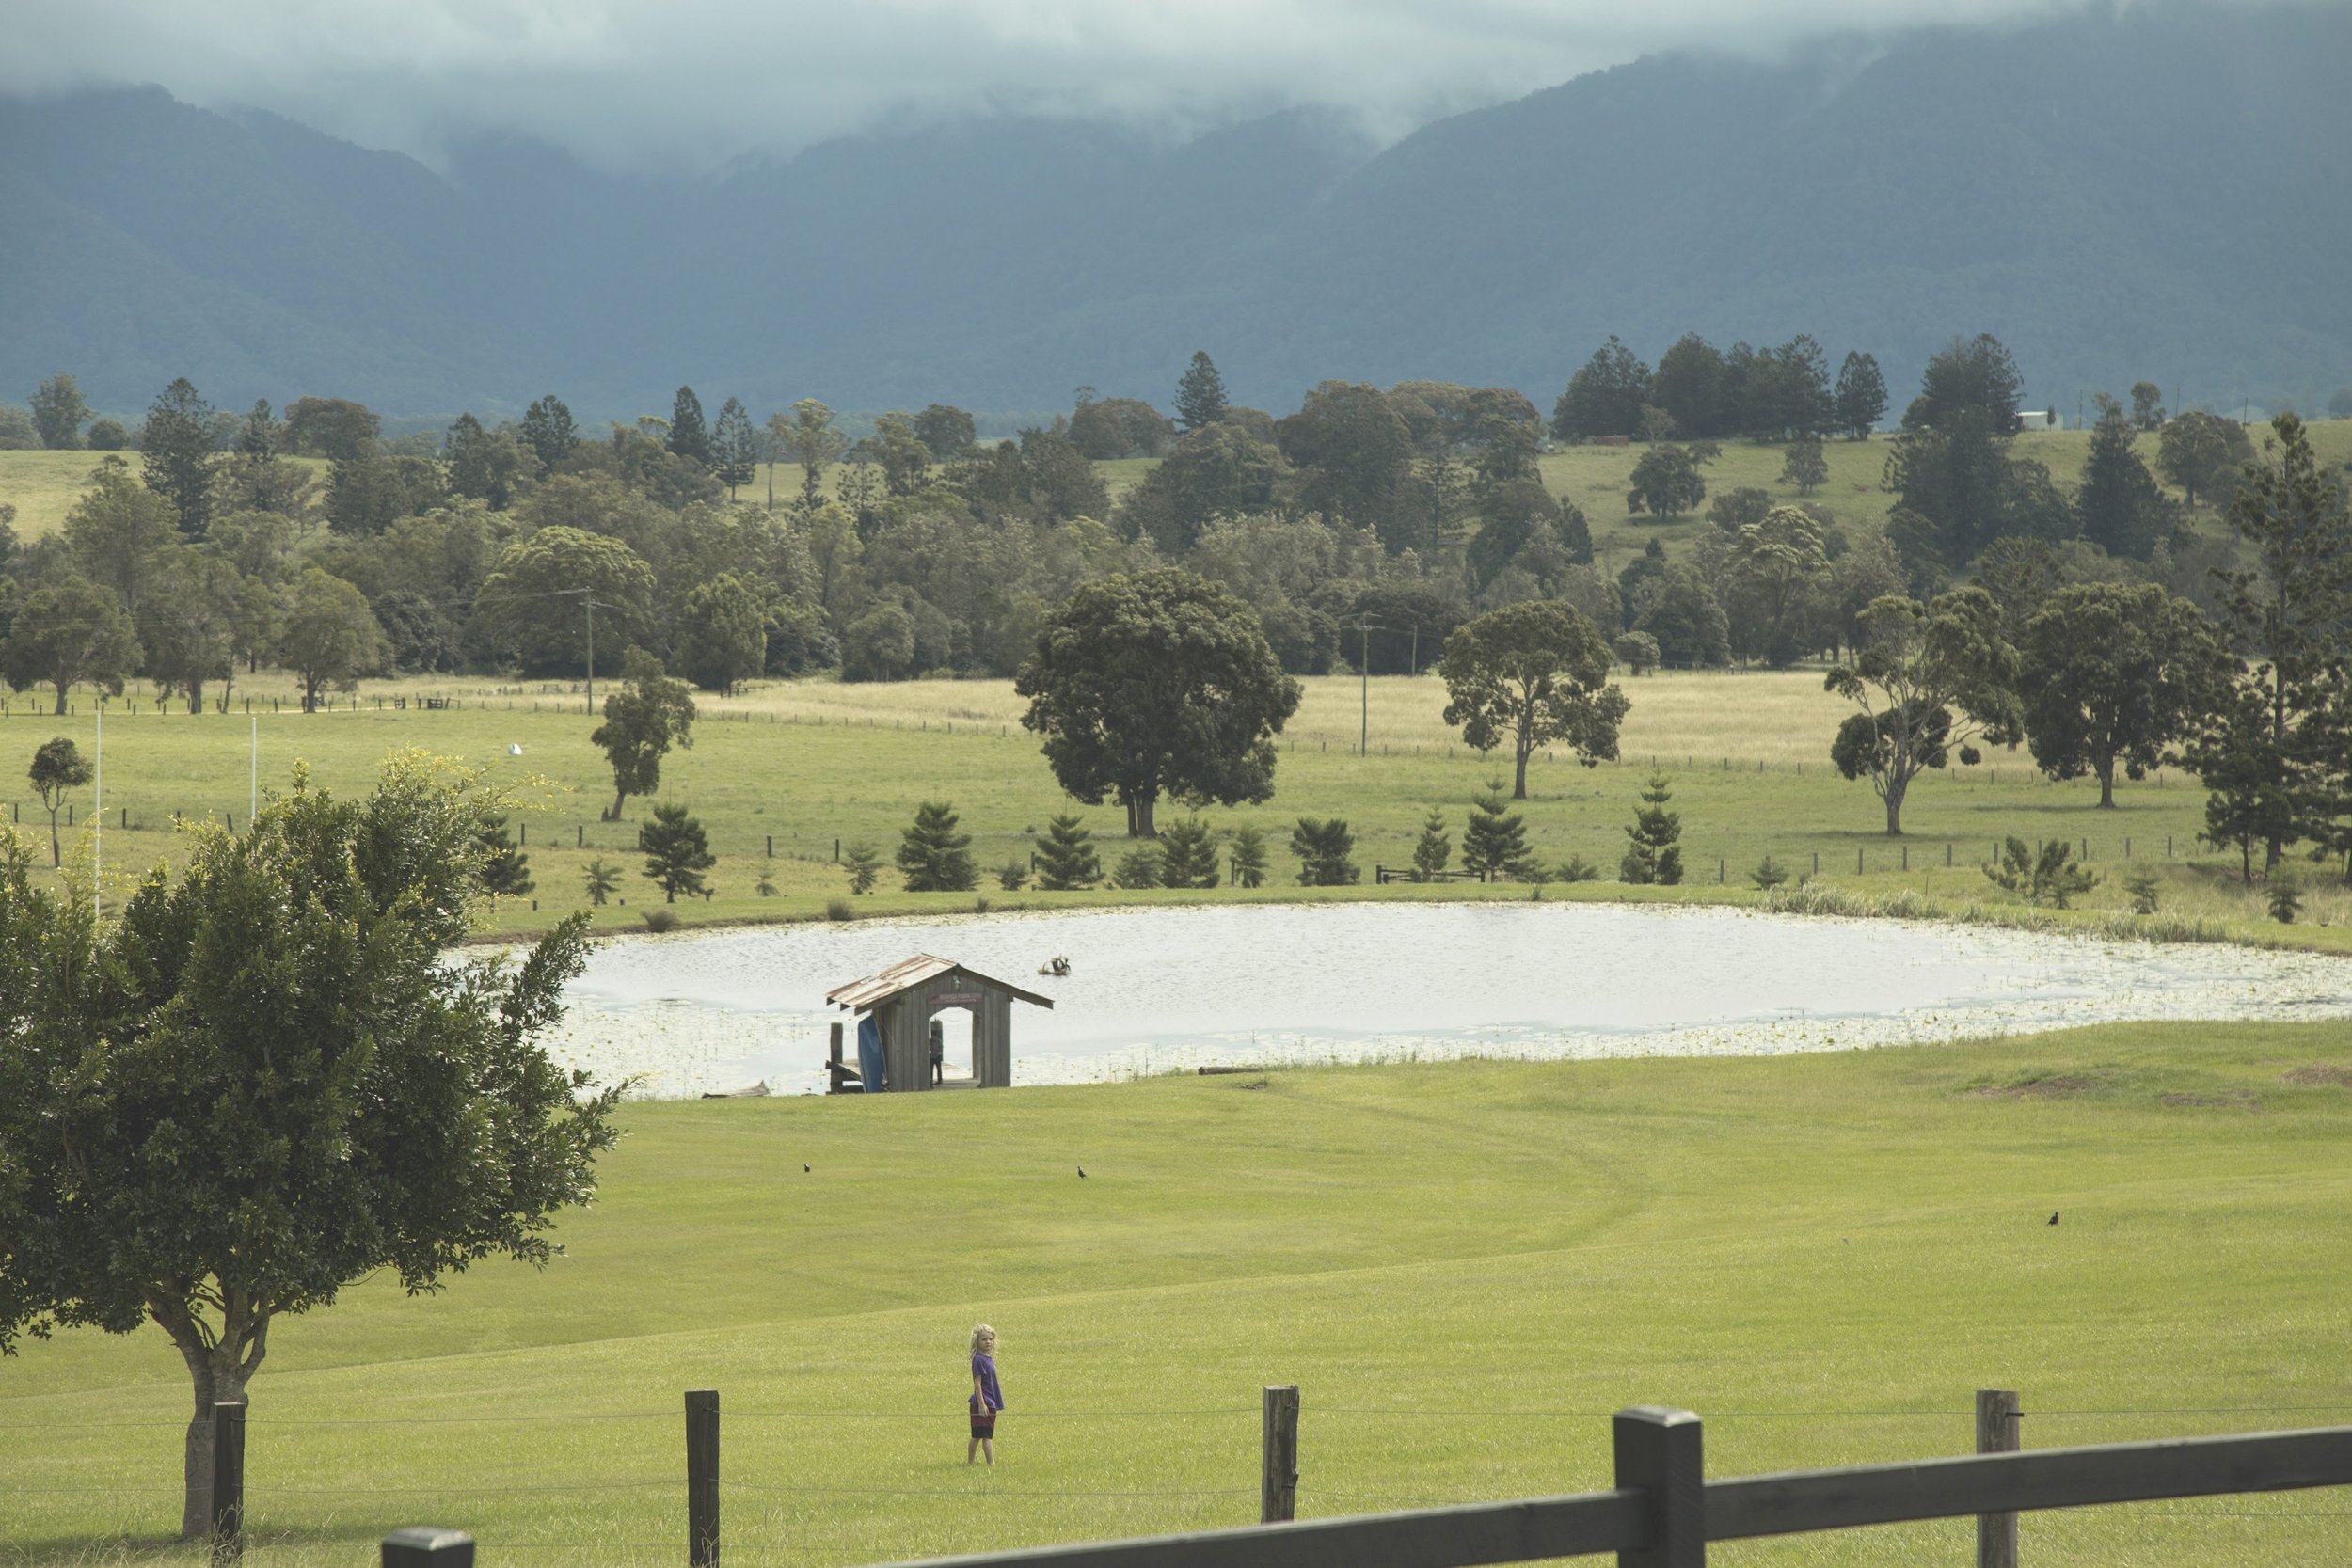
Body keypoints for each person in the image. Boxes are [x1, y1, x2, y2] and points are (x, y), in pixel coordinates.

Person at [968, 1323, 1004, 1464]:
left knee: (985, 1434)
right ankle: (990, 1464)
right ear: (977, 1341)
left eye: (990, 1339)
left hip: (991, 1403)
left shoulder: (989, 1359)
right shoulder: (978, 1360)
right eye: (984, 1339)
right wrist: (982, 1404)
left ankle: (975, 1463)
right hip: (982, 1403)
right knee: (981, 1436)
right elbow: (977, 1382)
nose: (988, 1342)